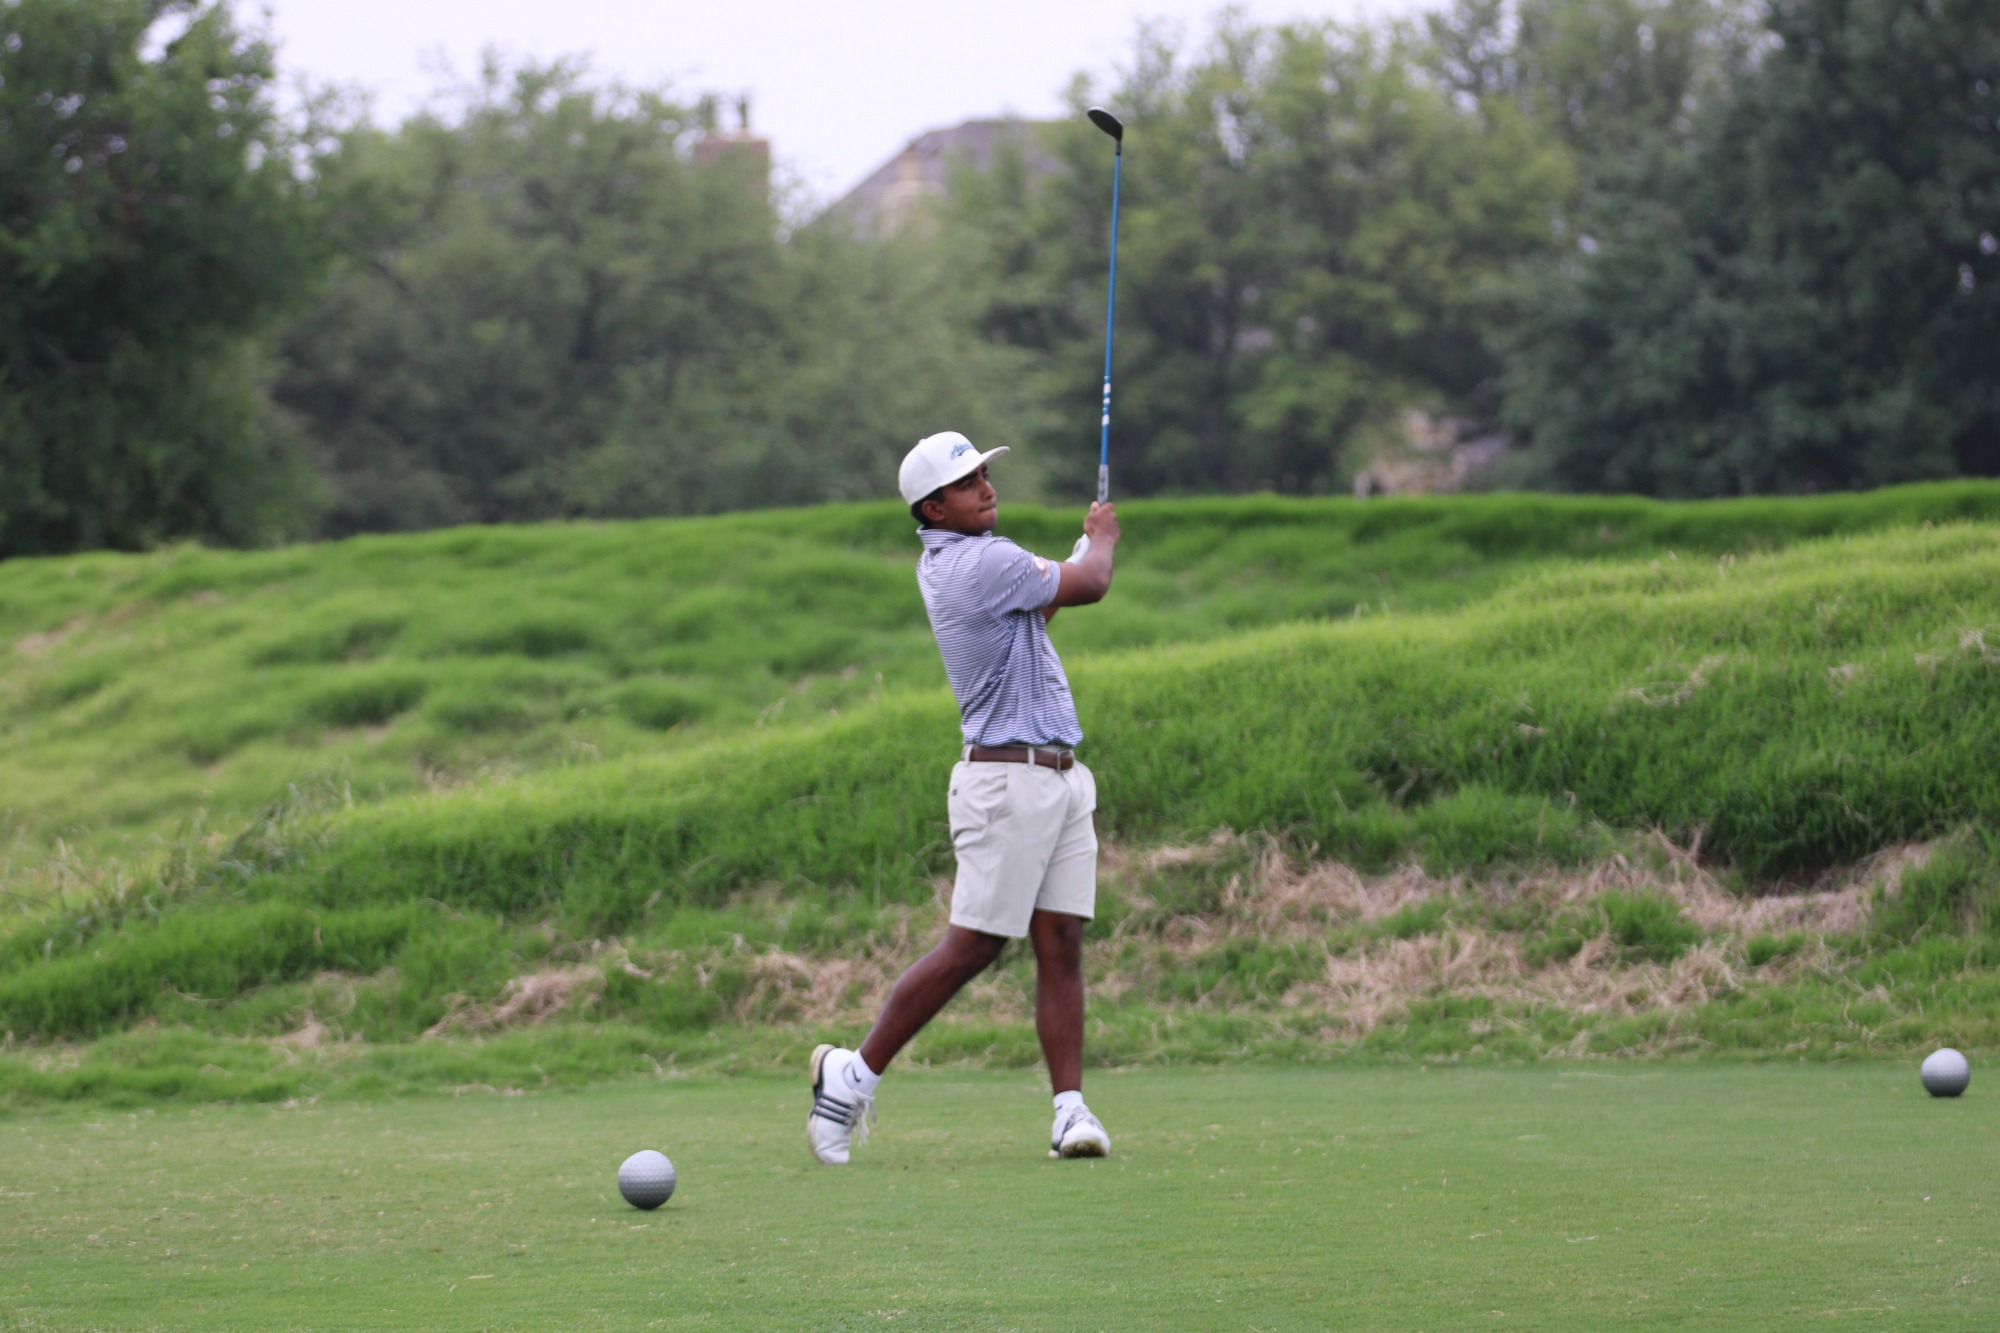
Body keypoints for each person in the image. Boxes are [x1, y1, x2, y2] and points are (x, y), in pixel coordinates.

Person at [808, 430, 1122, 1165]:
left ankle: (1069, 1111)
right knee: (975, 944)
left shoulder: (978, 562)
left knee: (1061, 943)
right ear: (933, 507)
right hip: (1005, 781)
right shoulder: (979, 561)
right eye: (966, 481)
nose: (985, 486)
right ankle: (849, 1078)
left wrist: (1074, 557)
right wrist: (1099, 539)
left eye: (984, 472)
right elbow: (1093, 585)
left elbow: (1040, 609)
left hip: (1059, 776)